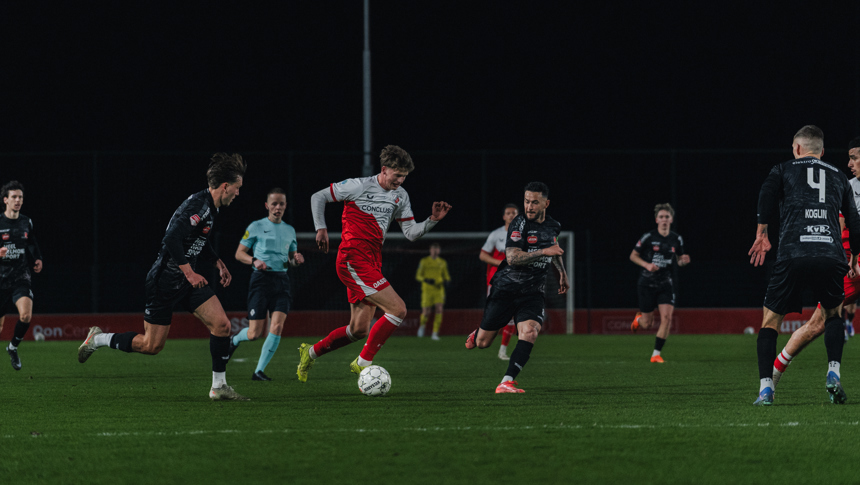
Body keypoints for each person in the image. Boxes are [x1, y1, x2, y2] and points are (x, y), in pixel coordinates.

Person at [77, 153, 250, 401]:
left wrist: (217, 262)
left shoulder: (211, 208)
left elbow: (198, 238)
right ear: (225, 186)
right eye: (237, 187)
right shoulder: (199, 206)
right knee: (151, 346)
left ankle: (219, 386)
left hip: (187, 281)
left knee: (222, 326)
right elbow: (171, 238)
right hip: (164, 281)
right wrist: (189, 272)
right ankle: (98, 339)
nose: (238, 193)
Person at [297, 145, 451, 382]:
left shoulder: (401, 195)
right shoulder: (358, 185)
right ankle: (362, 363)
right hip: (352, 259)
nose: (400, 180)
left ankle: (309, 353)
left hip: (371, 261)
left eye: (404, 176)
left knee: (359, 330)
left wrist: (432, 220)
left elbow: (410, 233)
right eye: (397, 175)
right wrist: (321, 228)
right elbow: (318, 197)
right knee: (398, 309)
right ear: (384, 169)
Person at [749, 126, 860, 406]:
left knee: (771, 321)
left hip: (793, 253)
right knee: (834, 314)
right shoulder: (839, 176)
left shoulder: (783, 168)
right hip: (830, 255)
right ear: (822, 152)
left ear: (797, 148)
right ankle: (833, 371)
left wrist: (762, 232)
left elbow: (766, 193)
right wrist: (854, 258)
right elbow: (854, 221)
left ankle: (766, 389)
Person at [465, 182, 569, 394]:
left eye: (535, 202)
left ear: (546, 203)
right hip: (506, 289)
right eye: (527, 201)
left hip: (533, 292)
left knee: (530, 332)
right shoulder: (519, 223)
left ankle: (506, 381)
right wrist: (543, 252)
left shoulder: (554, 226)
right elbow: (512, 258)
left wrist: (562, 273)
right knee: (483, 343)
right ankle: (478, 334)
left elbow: (555, 248)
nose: (529, 206)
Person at [229, 188, 304, 380]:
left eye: (281, 204)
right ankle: (234, 340)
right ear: (267, 206)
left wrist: (297, 260)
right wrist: (254, 261)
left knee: (277, 326)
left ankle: (258, 371)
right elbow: (239, 254)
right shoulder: (256, 226)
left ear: (285, 206)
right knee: (254, 333)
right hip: (261, 281)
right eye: (274, 204)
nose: (278, 207)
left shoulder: (290, 230)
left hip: (282, 281)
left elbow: (291, 260)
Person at [629, 203, 691, 363]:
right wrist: (647, 265)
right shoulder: (648, 237)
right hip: (647, 283)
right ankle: (639, 320)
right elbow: (633, 256)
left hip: (665, 283)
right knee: (647, 324)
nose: (664, 219)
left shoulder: (676, 239)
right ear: (656, 220)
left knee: (667, 318)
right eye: (661, 217)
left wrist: (683, 261)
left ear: (671, 219)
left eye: (667, 217)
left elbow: (679, 260)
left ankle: (656, 354)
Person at [0, 181, 43, 371]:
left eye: (20, 197)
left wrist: (38, 258)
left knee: (25, 316)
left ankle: (13, 347)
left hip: (20, 277)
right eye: (14, 197)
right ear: (5, 200)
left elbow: (31, 242)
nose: (18, 200)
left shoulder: (27, 222)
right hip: (1, 279)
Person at [479, 203, 519, 360]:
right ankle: (480, 337)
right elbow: (483, 255)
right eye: (508, 213)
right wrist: (500, 263)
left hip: (514, 280)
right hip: (495, 281)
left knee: (512, 316)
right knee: (494, 315)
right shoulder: (496, 234)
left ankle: (503, 350)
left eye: (514, 213)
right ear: (504, 216)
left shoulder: (523, 235)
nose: (511, 215)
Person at [415, 242, 450, 340]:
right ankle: (422, 326)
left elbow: (446, 275)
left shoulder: (442, 262)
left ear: (439, 250)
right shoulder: (424, 261)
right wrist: (426, 280)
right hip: (427, 290)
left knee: (439, 309)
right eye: (433, 249)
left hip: (439, 290)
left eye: (437, 249)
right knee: (426, 312)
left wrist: (447, 281)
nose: (435, 251)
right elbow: (418, 275)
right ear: (430, 250)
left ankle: (435, 333)